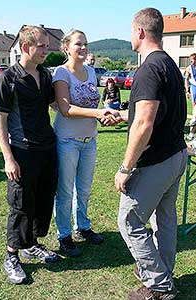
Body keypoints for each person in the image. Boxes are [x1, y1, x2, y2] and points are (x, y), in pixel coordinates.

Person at [115, 8, 187, 300]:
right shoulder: (168, 64)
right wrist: (125, 116)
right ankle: (162, 271)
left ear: (141, 32)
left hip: (156, 161)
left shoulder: (147, 68)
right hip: (176, 154)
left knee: (129, 221)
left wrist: (125, 167)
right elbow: (154, 113)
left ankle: (159, 285)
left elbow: (144, 124)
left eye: (132, 31)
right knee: (165, 219)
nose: (131, 36)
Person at [0, 25, 59, 284]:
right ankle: (12, 255)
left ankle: (31, 244)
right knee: (20, 206)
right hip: (22, 151)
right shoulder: (7, 78)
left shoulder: (45, 76)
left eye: (47, 45)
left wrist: (94, 112)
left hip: (47, 149)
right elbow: (0, 121)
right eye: (42, 46)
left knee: (43, 201)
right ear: (25, 47)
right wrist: (8, 158)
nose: (47, 49)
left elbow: (56, 106)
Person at [52, 29, 118, 257]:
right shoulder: (61, 73)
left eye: (85, 44)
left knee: (85, 189)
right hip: (67, 141)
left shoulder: (91, 72)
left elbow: (92, 104)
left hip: (90, 140)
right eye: (78, 44)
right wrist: (98, 113)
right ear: (66, 47)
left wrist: (104, 116)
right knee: (65, 191)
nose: (83, 48)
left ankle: (83, 226)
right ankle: (64, 235)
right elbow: (65, 109)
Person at [185, 53, 196, 140]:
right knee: (194, 106)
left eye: (193, 59)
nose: (192, 61)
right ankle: (191, 132)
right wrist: (187, 91)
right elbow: (187, 79)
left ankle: (192, 132)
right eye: (191, 59)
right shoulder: (189, 68)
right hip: (194, 87)